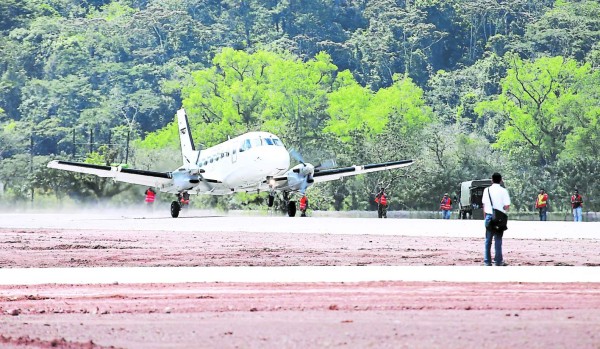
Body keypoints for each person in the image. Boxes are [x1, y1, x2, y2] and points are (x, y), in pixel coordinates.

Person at [481, 172, 511, 266]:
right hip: (500, 218)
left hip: (489, 216)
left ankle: (487, 261)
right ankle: (498, 261)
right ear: (501, 180)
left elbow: (484, 205)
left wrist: (485, 217)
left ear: (492, 180)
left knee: (488, 240)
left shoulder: (487, 190)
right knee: (498, 240)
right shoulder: (504, 191)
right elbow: (507, 206)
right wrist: (502, 209)